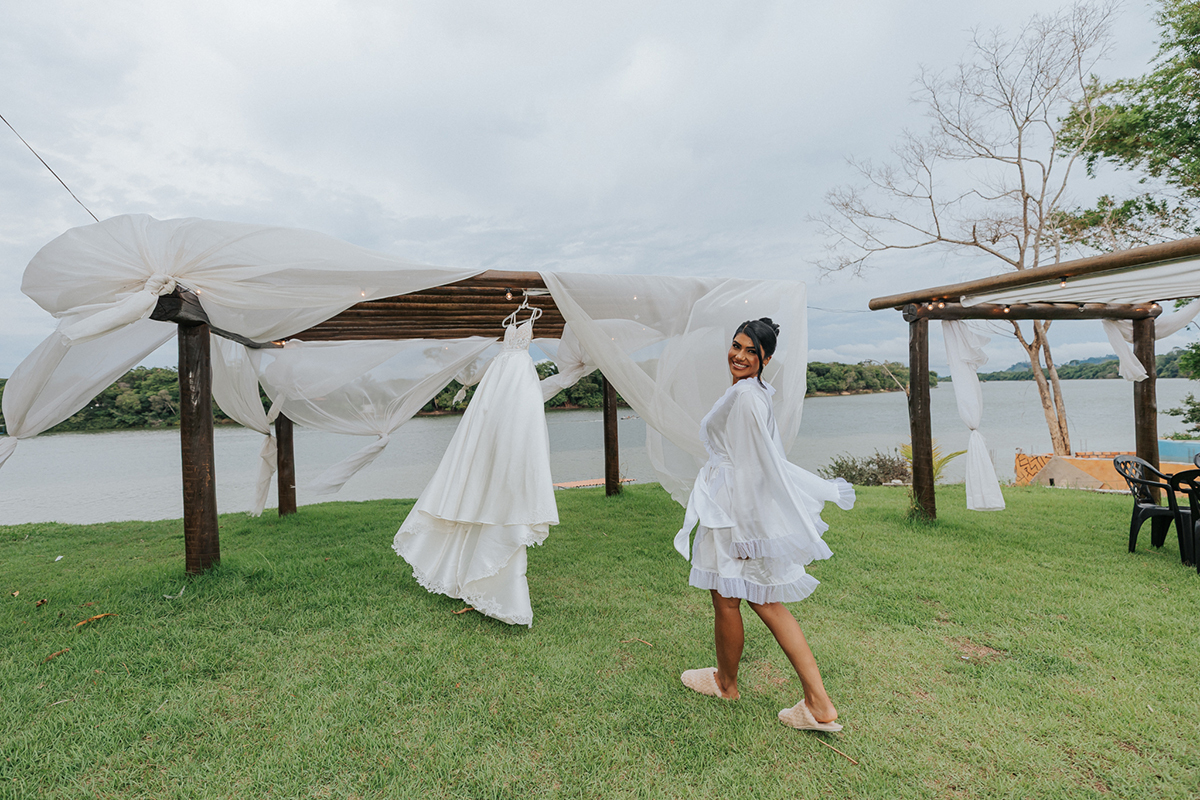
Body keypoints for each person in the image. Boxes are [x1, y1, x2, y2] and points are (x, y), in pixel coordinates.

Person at [674, 318, 855, 732]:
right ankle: (748, 687)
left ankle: (757, 690)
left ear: (766, 360)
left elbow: (758, 466)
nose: (739, 355)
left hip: (735, 513)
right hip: (733, 506)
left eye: (751, 351)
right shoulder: (750, 393)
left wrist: (749, 533)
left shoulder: (746, 398)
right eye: (736, 346)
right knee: (746, 598)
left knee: (745, 600)